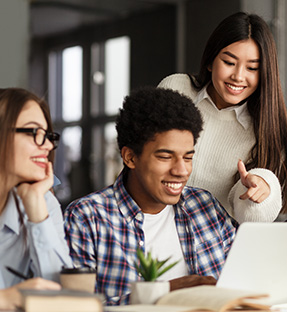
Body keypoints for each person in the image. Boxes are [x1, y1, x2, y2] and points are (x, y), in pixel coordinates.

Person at [64, 87, 238, 305]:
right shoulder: (87, 217)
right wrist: (165, 292)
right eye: (165, 157)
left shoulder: (205, 207)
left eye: (187, 157)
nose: (181, 171)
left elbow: (243, 283)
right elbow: (74, 307)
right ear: (130, 157)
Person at [158, 12, 287, 223]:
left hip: (210, 245)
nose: (238, 76)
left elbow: (251, 219)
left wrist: (260, 193)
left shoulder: (265, 129)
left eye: (252, 68)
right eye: (229, 62)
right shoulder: (176, 89)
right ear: (211, 61)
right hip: (150, 228)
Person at [0, 88, 72, 309]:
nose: (48, 146)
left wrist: (36, 209)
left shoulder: (43, 202)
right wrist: (6, 298)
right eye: (34, 132)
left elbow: (64, 299)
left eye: (48, 135)